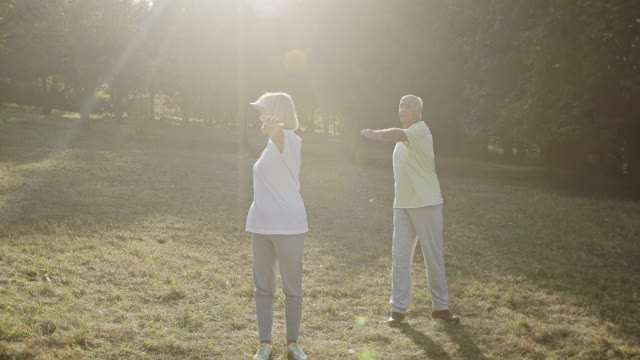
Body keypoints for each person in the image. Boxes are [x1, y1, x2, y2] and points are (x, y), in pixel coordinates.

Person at [360, 94, 459, 325]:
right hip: (402, 205)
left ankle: (441, 307)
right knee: (400, 257)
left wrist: (376, 134)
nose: (403, 108)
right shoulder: (401, 140)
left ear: (419, 113)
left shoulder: (420, 130)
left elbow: (397, 133)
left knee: (432, 256)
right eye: (401, 105)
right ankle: (398, 310)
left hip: (427, 204)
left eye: (409, 106)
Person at [246, 92, 309, 360]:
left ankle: (292, 343)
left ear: (276, 113)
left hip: (289, 226)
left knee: (292, 288)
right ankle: (264, 343)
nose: (259, 114)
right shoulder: (269, 146)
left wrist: (274, 131)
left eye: (264, 110)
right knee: (263, 288)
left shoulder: (291, 140)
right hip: (260, 225)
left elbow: (281, 137)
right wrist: (269, 133)